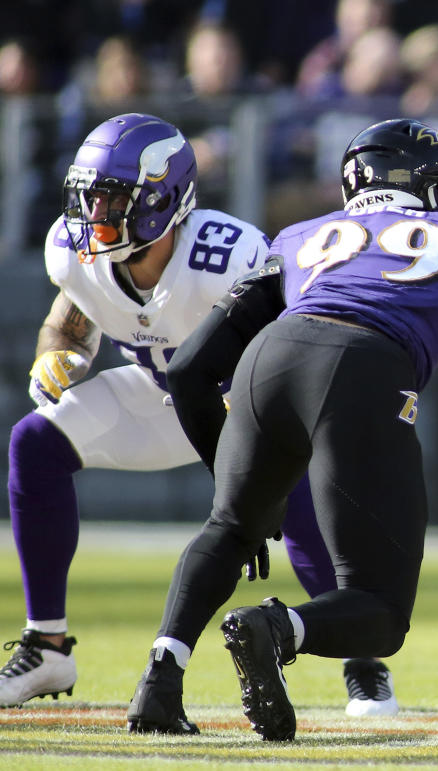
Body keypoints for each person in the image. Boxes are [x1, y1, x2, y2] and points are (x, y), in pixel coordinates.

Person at [126, 118, 438, 741]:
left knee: (225, 531)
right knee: (380, 611)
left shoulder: (303, 235)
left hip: (266, 361)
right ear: (437, 188)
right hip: (363, 368)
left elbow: (191, 368)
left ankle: (159, 683)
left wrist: (240, 489)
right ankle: (278, 630)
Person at [0, 113, 397, 720]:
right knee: (34, 442)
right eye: (88, 199)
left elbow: (288, 340)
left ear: (161, 201)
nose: (93, 217)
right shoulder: (75, 252)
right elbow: (71, 315)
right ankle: (47, 644)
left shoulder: (228, 254)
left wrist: (260, 423)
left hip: (243, 400)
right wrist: (57, 353)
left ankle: (362, 663)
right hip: (159, 396)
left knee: (289, 498)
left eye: (110, 201)